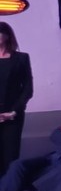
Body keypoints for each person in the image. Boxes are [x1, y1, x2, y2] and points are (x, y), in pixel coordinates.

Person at [0, 22, 33, 176]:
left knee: (10, 157)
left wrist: (14, 112)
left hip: (12, 115)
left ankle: (10, 190)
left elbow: (27, 89)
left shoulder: (21, 58)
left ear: (7, 36)